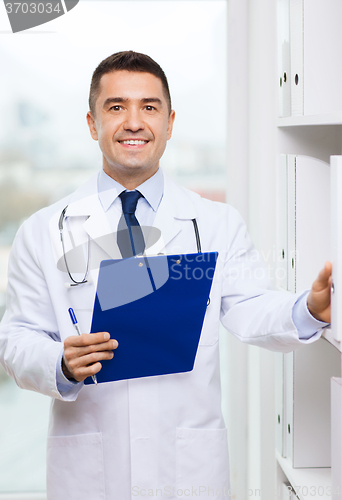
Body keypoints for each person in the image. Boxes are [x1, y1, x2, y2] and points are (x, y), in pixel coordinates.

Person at [0, 51, 331, 500]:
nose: (134, 122)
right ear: (92, 124)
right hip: (90, 473)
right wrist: (59, 362)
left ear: (170, 123)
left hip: (189, 468)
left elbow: (252, 307)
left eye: (149, 107)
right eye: (116, 107)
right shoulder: (42, 231)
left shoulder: (215, 222)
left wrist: (309, 309)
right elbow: (16, 339)